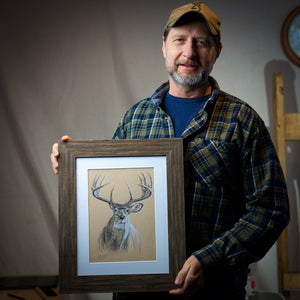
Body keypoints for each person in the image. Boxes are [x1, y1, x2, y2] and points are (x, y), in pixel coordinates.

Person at [51, 2, 290, 299]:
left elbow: (271, 211)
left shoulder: (243, 121)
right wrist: (72, 168)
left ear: (216, 51)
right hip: (135, 292)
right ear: (164, 46)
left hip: (214, 292)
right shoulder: (135, 118)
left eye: (201, 42)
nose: (189, 53)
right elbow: (103, 192)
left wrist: (208, 259)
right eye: (179, 40)